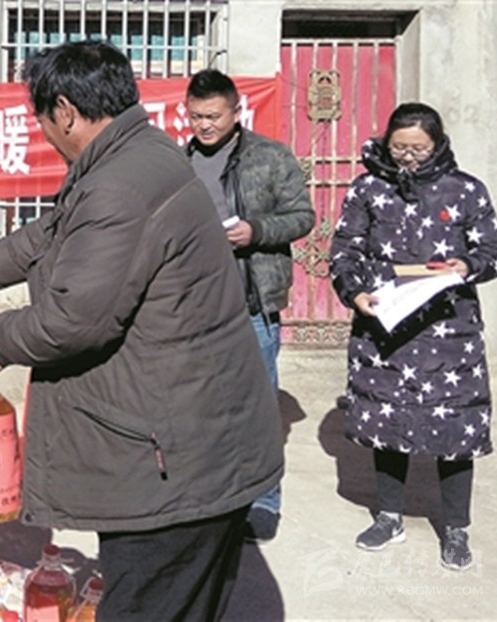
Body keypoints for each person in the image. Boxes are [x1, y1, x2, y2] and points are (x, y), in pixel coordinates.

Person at [0, 41, 283, 620]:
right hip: (198, 447)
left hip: (173, 467)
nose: (44, 133)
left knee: (148, 604)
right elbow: (55, 231)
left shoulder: (119, 184)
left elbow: (73, 321)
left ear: (64, 110)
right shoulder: (139, 153)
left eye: (41, 119)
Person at [329, 102, 497, 571]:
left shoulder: (466, 189)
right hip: (386, 325)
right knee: (389, 422)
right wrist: (354, 293)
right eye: (399, 148)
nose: (408, 157)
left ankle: (456, 528)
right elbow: (344, 249)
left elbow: (494, 251)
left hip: (450, 330)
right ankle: (389, 517)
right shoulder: (367, 188)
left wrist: (467, 265)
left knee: (455, 429)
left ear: (438, 145)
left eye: (419, 149)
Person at [185, 69, 315, 541]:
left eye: (213, 116)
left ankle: (262, 502)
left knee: (256, 410)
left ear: (236, 111)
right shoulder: (179, 162)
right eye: (196, 116)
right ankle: (210, 502)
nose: (204, 125)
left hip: (251, 303)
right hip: (194, 308)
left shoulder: (270, 157)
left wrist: (255, 231)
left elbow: (302, 217)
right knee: (199, 410)